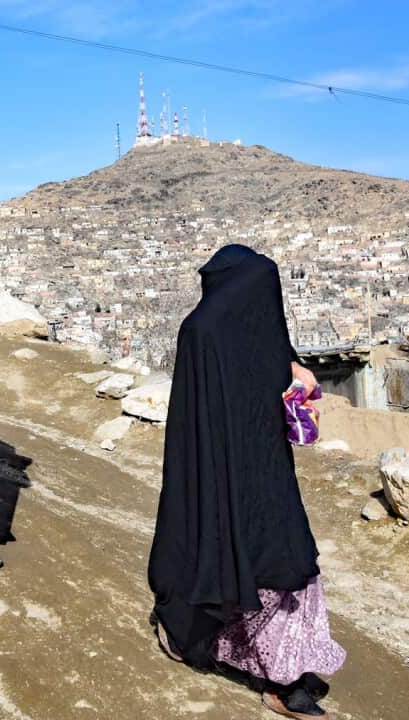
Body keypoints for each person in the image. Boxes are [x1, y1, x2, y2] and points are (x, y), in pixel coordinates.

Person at [148, 245, 345, 719]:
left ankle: (285, 666)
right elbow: (199, 423)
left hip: (267, 468)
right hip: (221, 471)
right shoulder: (203, 333)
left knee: (287, 560)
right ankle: (277, 679)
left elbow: (272, 359)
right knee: (235, 555)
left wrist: (295, 371)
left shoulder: (257, 330)